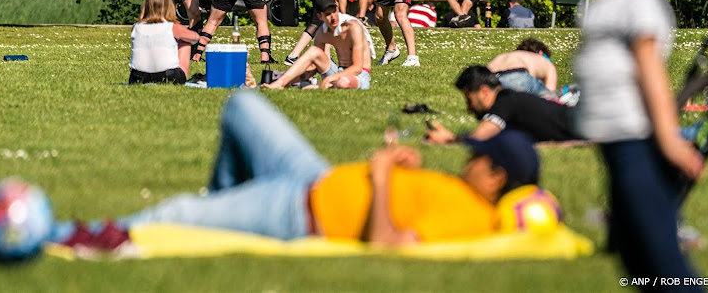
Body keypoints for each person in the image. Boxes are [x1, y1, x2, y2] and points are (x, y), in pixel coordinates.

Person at [51, 91, 540, 247]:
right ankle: (218, 211)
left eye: (477, 159)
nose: (468, 160)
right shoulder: (458, 192)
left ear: (496, 176)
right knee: (243, 103)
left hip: (299, 212)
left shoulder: (470, 217)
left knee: (170, 216)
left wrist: (384, 172)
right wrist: (402, 168)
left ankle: (69, 236)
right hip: (314, 175)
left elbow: (388, 245)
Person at [570, 0, 705, 289]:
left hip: (639, 145)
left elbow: (651, 73)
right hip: (616, 146)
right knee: (635, 258)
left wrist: (669, 139)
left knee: (661, 259)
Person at [424, 66, 578, 144]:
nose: (468, 108)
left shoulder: (505, 101)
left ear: (484, 91)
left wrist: (449, 139)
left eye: (469, 100)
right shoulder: (509, 100)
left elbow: (479, 137)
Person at [263, 0, 374, 90]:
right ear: (320, 16)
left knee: (343, 82)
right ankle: (280, 83)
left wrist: (330, 78)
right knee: (313, 51)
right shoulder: (322, 32)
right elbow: (315, 63)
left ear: (338, 9)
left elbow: (357, 67)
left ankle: (317, 87)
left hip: (358, 75)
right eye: (327, 14)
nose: (333, 17)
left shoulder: (352, 27)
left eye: (334, 11)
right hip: (338, 71)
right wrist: (293, 76)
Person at [128, 0, 200, 85]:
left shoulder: (136, 27)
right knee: (185, 41)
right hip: (167, 76)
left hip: (137, 77)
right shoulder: (173, 27)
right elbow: (195, 38)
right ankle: (181, 78)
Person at [487, 38, 557, 96]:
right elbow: (550, 96)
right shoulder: (544, 60)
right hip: (517, 77)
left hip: (489, 78)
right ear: (541, 53)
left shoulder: (507, 56)